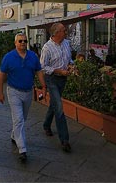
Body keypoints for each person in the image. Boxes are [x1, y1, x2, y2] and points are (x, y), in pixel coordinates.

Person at [0, 33, 46, 162]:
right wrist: (0, 92)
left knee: (22, 118)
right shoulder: (8, 57)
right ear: (15, 43)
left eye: (24, 41)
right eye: (20, 41)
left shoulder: (32, 56)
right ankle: (22, 149)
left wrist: (43, 86)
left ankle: (14, 135)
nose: (23, 43)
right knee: (18, 119)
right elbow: (1, 75)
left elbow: (38, 71)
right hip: (14, 91)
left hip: (28, 91)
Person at [40, 23, 73, 153]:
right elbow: (42, 67)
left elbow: (69, 59)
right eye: (64, 30)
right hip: (52, 79)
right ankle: (65, 140)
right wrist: (58, 71)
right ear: (56, 33)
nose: (66, 32)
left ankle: (46, 125)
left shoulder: (66, 43)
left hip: (63, 79)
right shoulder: (47, 48)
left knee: (54, 104)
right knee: (59, 107)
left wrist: (71, 65)